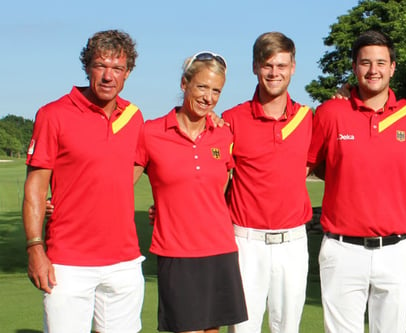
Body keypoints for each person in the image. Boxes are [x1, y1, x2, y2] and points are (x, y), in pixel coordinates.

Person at [22, 29, 146, 333]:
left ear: (128, 72)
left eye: (117, 68)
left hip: (124, 263)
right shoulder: (53, 114)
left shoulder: (134, 116)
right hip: (68, 263)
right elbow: (36, 185)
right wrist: (35, 247)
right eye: (100, 65)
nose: (108, 76)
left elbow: (140, 161)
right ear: (87, 67)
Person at [307, 30, 406, 333]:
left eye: (380, 62)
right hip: (342, 249)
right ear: (354, 66)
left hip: (397, 250)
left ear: (392, 67)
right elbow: (311, 164)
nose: (373, 70)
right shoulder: (331, 112)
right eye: (364, 63)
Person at [135, 51, 247, 333]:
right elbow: (118, 184)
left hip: (220, 249)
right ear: (184, 84)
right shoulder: (150, 133)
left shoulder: (224, 134)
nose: (208, 97)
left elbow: (216, 190)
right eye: (202, 86)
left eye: (216, 90)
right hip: (176, 253)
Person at [222, 32, 312, 333]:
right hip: (247, 241)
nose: (275, 73)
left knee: (287, 327)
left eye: (282, 66)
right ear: (255, 67)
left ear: (293, 67)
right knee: (243, 327)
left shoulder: (308, 119)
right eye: (267, 65)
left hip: (293, 242)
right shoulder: (231, 119)